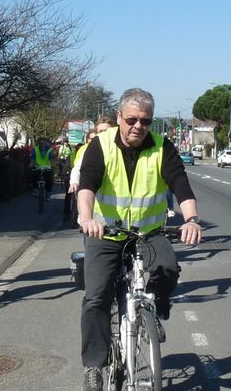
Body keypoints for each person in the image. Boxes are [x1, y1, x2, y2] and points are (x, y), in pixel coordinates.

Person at [78, 88, 202, 391]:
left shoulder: (162, 147)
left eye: (145, 121)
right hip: (106, 232)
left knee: (168, 269)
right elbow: (87, 185)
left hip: (148, 232)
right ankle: (94, 364)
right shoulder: (101, 145)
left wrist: (192, 219)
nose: (138, 126)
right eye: (131, 119)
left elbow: (180, 185)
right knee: (96, 295)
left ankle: (157, 305)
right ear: (119, 117)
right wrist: (86, 218)